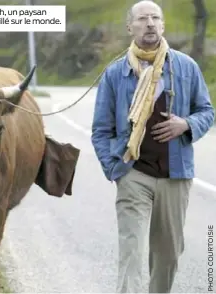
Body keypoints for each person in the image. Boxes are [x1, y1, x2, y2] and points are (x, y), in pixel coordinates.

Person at [90, 0, 215, 293]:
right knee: (132, 251)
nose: (149, 23)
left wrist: (186, 125)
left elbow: (207, 111)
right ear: (130, 27)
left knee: (168, 254)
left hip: (176, 174)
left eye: (155, 18)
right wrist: (114, 169)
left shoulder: (186, 67)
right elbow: (101, 129)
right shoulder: (114, 74)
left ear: (162, 25)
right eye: (142, 18)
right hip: (134, 172)